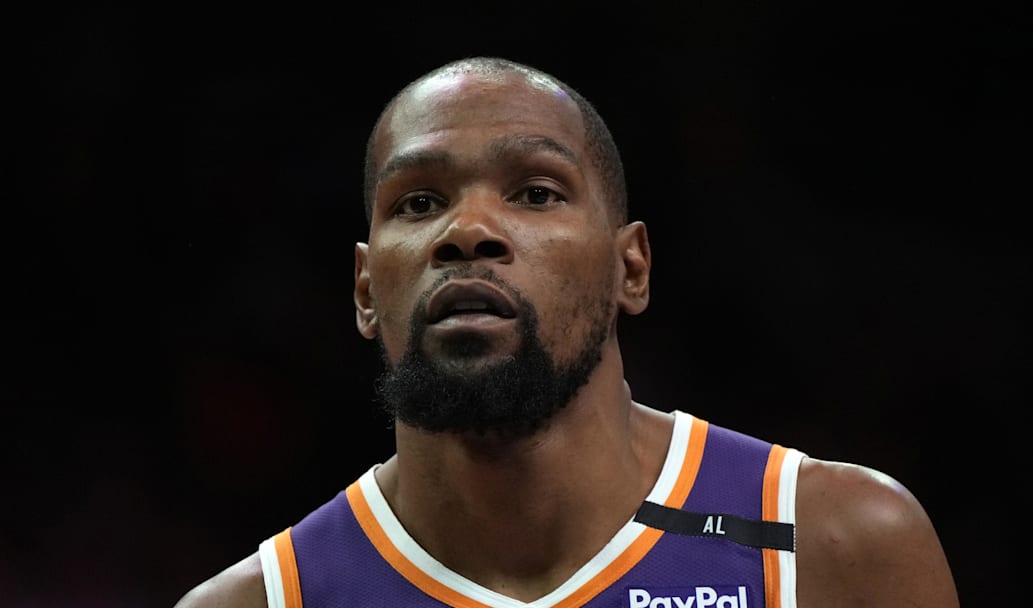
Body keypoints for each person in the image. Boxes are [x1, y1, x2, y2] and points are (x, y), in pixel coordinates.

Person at [174, 56, 960, 608]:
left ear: (632, 269)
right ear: (365, 289)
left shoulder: (835, 546)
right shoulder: (262, 600)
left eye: (537, 192)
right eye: (417, 203)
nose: (468, 229)